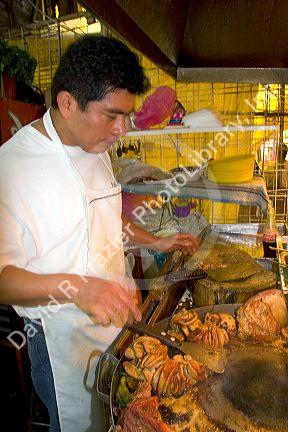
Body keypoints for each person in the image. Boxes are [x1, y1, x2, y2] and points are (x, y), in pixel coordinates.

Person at [0, 35, 199, 431]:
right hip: (61, 337)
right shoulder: (13, 169)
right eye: (111, 116)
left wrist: (153, 240)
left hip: (117, 320)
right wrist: (80, 288)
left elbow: (101, 213)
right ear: (67, 103)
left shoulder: (95, 145)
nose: (121, 129)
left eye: (126, 116)